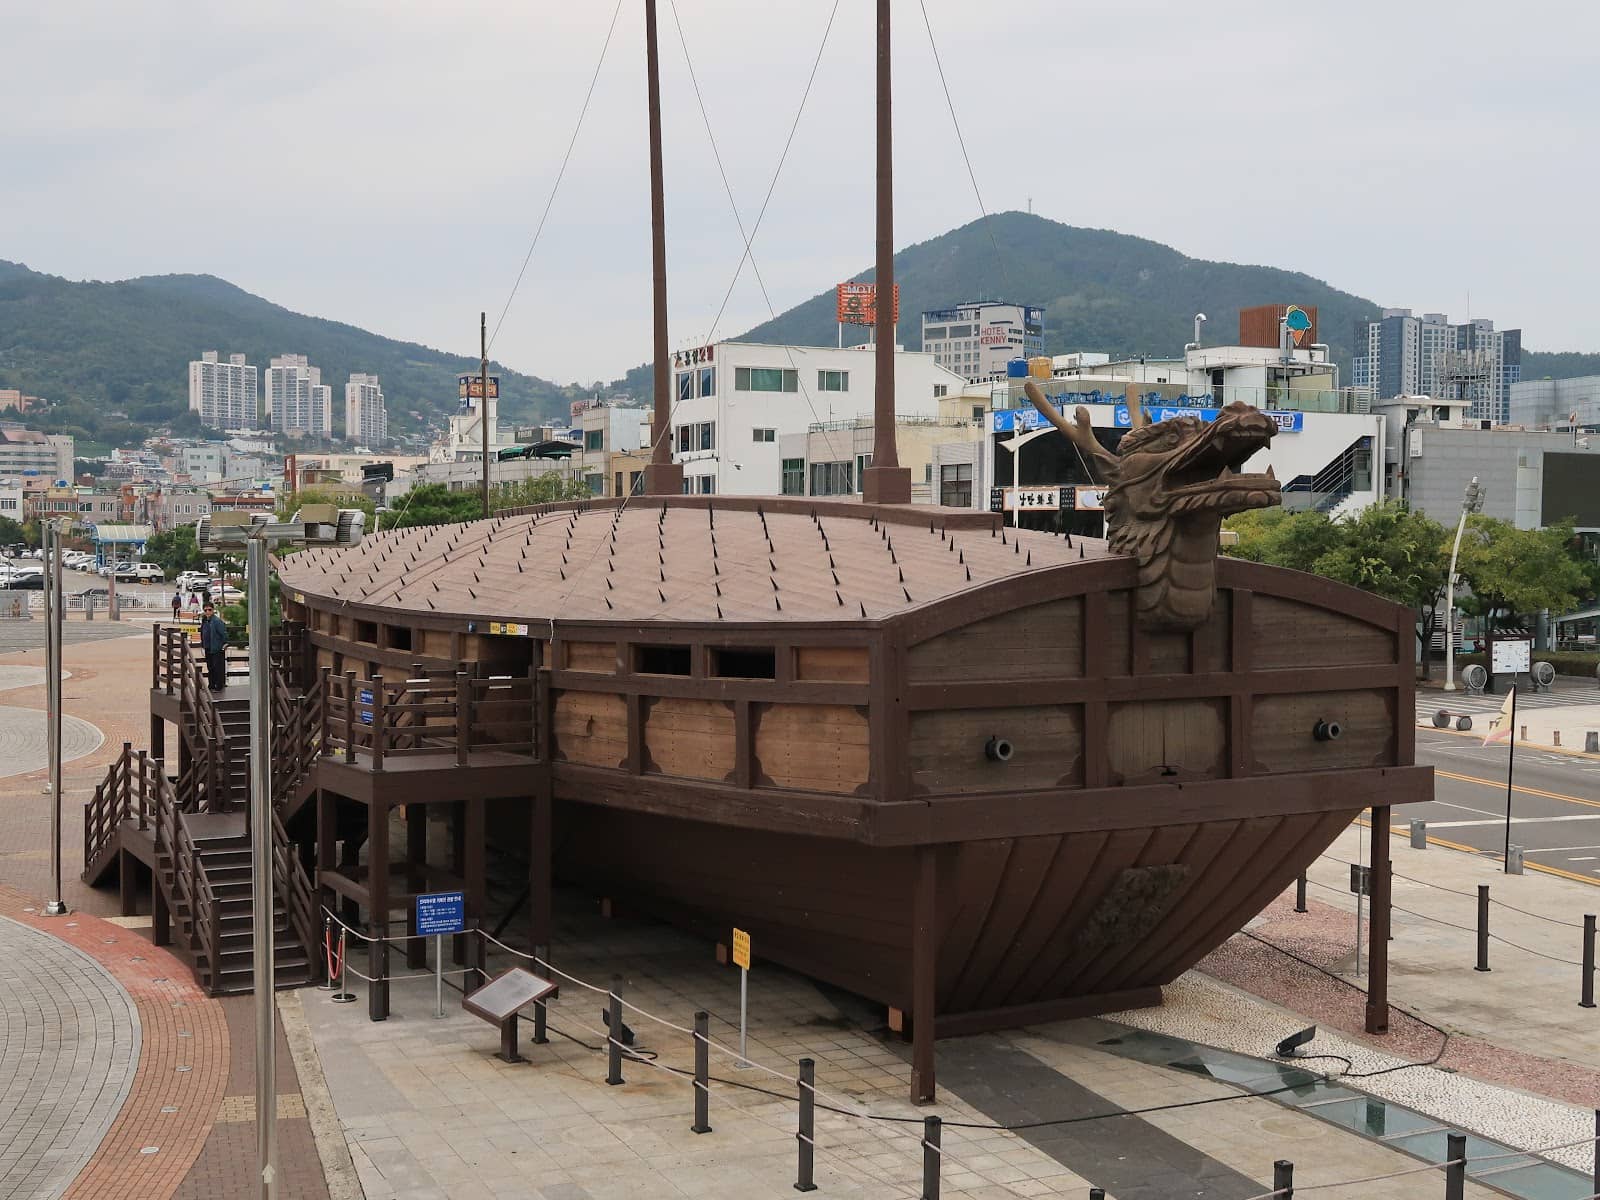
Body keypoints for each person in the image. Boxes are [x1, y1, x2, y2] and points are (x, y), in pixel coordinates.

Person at [198, 602, 229, 692]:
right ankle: (211, 685)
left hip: (216, 648)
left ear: (213, 610)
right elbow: (203, 633)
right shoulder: (205, 621)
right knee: (210, 667)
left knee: (217, 668)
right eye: (205, 610)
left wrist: (224, 644)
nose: (207, 612)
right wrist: (203, 644)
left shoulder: (217, 621)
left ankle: (218, 686)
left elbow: (223, 634)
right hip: (208, 647)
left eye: (209, 610)